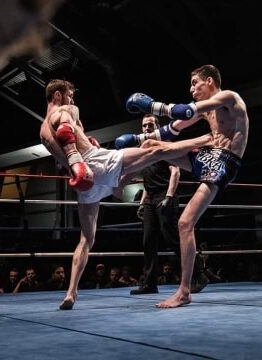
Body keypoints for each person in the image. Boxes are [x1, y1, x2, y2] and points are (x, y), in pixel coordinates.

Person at [39, 75, 231, 310]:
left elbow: (61, 149)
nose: (72, 99)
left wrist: (78, 161)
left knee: (86, 239)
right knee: (154, 151)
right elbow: (66, 128)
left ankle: (71, 293)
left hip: (83, 185)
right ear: (58, 95)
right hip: (93, 165)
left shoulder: (42, 132)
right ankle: (206, 147)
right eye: (69, 94)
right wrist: (77, 159)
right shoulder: (67, 109)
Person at [117, 64, 249, 307]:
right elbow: (171, 129)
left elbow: (184, 112)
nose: (191, 89)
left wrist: (150, 105)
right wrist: (138, 139)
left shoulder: (229, 98)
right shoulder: (204, 111)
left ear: (209, 81)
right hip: (208, 156)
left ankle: (184, 292)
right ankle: (116, 172)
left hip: (224, 161)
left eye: (195, 83)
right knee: (153, 149)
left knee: (185, 222)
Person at [130, 114, 181, 295]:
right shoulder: (143, 150)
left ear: (157, 126)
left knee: (171, 238)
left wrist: (168, 197)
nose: (147, 128)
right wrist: (142, 203)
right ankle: (150, 284)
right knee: (148, 241)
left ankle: (198, 275)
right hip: (150, 198)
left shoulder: (163, 145)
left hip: (164, 196)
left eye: (150, 125)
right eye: (144, 126)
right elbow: (147, 182)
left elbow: (175, 172)